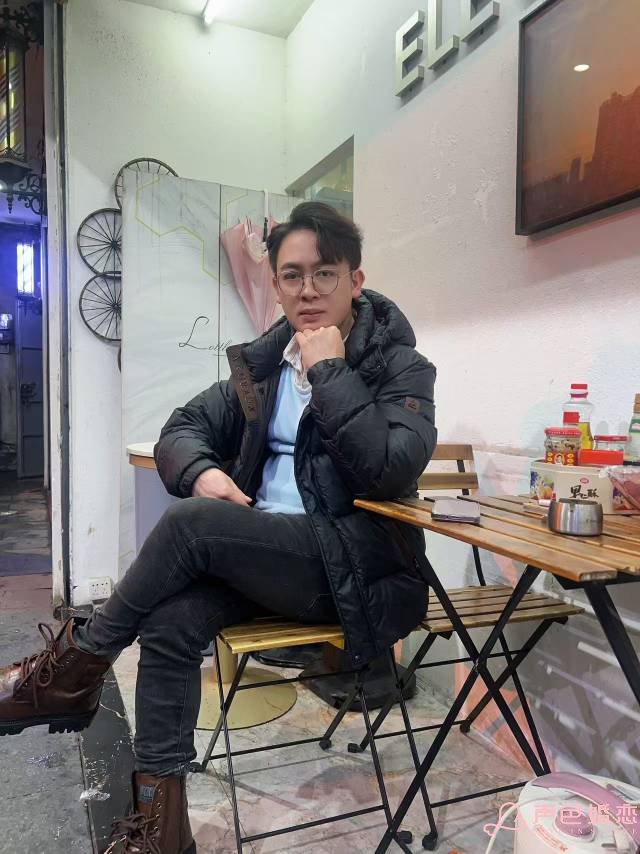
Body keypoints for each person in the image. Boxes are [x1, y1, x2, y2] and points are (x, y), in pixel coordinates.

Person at [0, 202, 437, 853]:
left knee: (192, 526)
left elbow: (389, 467)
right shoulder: (264, 367)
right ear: (276, 285)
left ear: (356, 280)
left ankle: (76, 666)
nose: (308, 290)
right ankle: (161, 829)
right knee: (170, 623)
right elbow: (181, 428)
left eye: (325, 273)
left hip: (353, 572)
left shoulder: (400, 368)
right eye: (292, 275)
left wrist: (330, 371)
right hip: (269, 562)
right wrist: (202, 470)